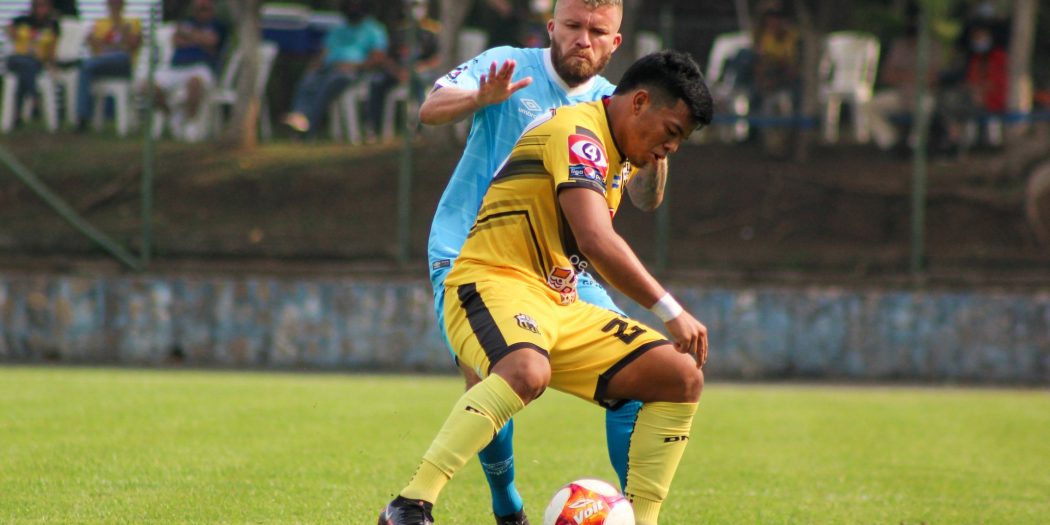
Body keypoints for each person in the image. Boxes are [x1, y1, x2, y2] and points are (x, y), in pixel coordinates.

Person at [378, 49, 713, 525]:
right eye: (671, 132)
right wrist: (670, 310)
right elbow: (596, 240)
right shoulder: (579, 135)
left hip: (561, 302)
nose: (672, 147)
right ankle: (409, 506)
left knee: (680, 376)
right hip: (491, 281)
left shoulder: (618, 148)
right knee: (526, 370)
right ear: (639, 103)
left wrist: (655, 147)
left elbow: (643, 201)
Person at [417, 0, 670, 522]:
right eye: (572, 26)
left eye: (597, 31)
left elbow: (646, 201)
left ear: (616, 41)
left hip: (561, 269)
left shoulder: (620, 105)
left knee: (641, 376)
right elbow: (430, 108)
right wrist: (479, 98)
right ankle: (507, 506)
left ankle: (635, 514)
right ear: (552, 27)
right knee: (494, 378)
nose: (583, 39)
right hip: (471, 253)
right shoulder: (507, 65)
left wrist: (659, 150)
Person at [281, 0, 389, 137]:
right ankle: (298, 115)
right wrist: (315, 66)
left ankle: (307, 125)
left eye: (356, 5)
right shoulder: (338, 28)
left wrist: (354, 66)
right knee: (309, 80)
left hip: (354, 72)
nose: (352, 8)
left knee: (327, 85)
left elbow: (378, 57)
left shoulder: (374, 29)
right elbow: (325, 51)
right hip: (330, 68)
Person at [864, 7, 944, 151]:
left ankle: (915, 145)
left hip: (922, 95)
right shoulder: (899, 45)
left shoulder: (934, 47)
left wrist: (903, 75)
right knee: (868, 106)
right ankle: (892, 143)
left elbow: (931, 79)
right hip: (900, 94)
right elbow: (887, 75)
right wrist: (913, 76)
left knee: (926, 106)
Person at [146, 0, 228, 140]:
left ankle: (191, 123)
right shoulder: (187, 22)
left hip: (201, 67)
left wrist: (189, 36)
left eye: (204, 8)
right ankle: (172, 116)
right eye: (198, 8)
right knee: (147, 86)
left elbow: (211, 41)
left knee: (194, 83)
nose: (200, 11)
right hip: (176, 67)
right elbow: (176, 40)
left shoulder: (218, 25)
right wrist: (199, 38)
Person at [365, 0, 441, 141]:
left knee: (420, 82)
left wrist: (421, 67)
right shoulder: (399, 31)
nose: (414, 10)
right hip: (399, 72)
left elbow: (440, 58)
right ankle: (373, 128)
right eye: (410, 6)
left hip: (422, 72)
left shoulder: (433, 31)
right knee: (376, 81)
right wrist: (397, 72)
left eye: (417, 5)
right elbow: (387, 58)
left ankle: (420, 128)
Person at [75, 0, 142, 131]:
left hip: (123, 63)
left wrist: (118, 26)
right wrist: (115, 45)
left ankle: (83, 116)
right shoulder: (100, 23)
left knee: (90, 64)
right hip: (103, 63)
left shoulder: (133, 22)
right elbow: (94, 46)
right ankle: (82, 117)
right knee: (85, 69)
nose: (115, 4)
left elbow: (132, 45)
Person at [6, 0, 60, 126]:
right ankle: (35, 98)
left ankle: (17, 115)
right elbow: (9, 28)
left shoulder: (52, 25)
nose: (40, 9)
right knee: (25, 63)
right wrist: (16, 37)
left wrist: (52, 65)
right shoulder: (23, 20)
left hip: (37, 62)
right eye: (38, 6)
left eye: (44, 6)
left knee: (23, 74)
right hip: (17, 59)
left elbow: (52, 48)